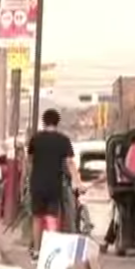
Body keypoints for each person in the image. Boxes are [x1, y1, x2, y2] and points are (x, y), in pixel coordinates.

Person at [27, 108, 82, 257]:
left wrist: (24, 185)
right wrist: (78, 182)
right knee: (52, 218)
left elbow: (30, 162)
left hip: (37, 184)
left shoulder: (35, 139)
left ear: (44, 122)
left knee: (37, 218)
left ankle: (37, 252)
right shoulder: (63, 140)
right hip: (54, 184)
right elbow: (70, 162)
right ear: (58, 122)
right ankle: (51, 253)